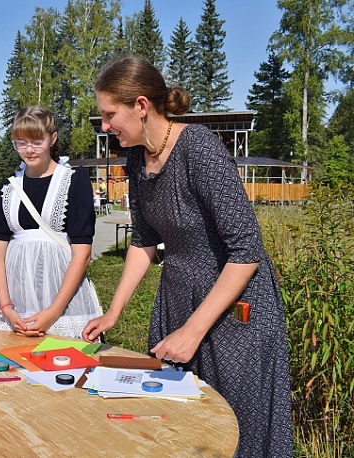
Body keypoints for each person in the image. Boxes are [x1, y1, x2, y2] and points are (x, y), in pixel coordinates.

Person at [82, 55, 291, 456]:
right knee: (178, 429)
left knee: (233, 432)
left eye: (110, 115)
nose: (105, 126)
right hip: (179, 299)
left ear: (141, 106)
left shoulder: (200, 149)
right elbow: (143, 241)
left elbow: (247, 251)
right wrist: (114, 312)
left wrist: (193, 331)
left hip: (235, 314)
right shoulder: (135, 157)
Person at [0, 106, 103, 338]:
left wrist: (53, 312)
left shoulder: (73, 181)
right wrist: (6, 307)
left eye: (37, 141)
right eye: (21, 142)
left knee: (67, 366)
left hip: (63, 301)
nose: (29, 150)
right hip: (15, 303)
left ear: (52, 138)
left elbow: (82, 254)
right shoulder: (7, 188)